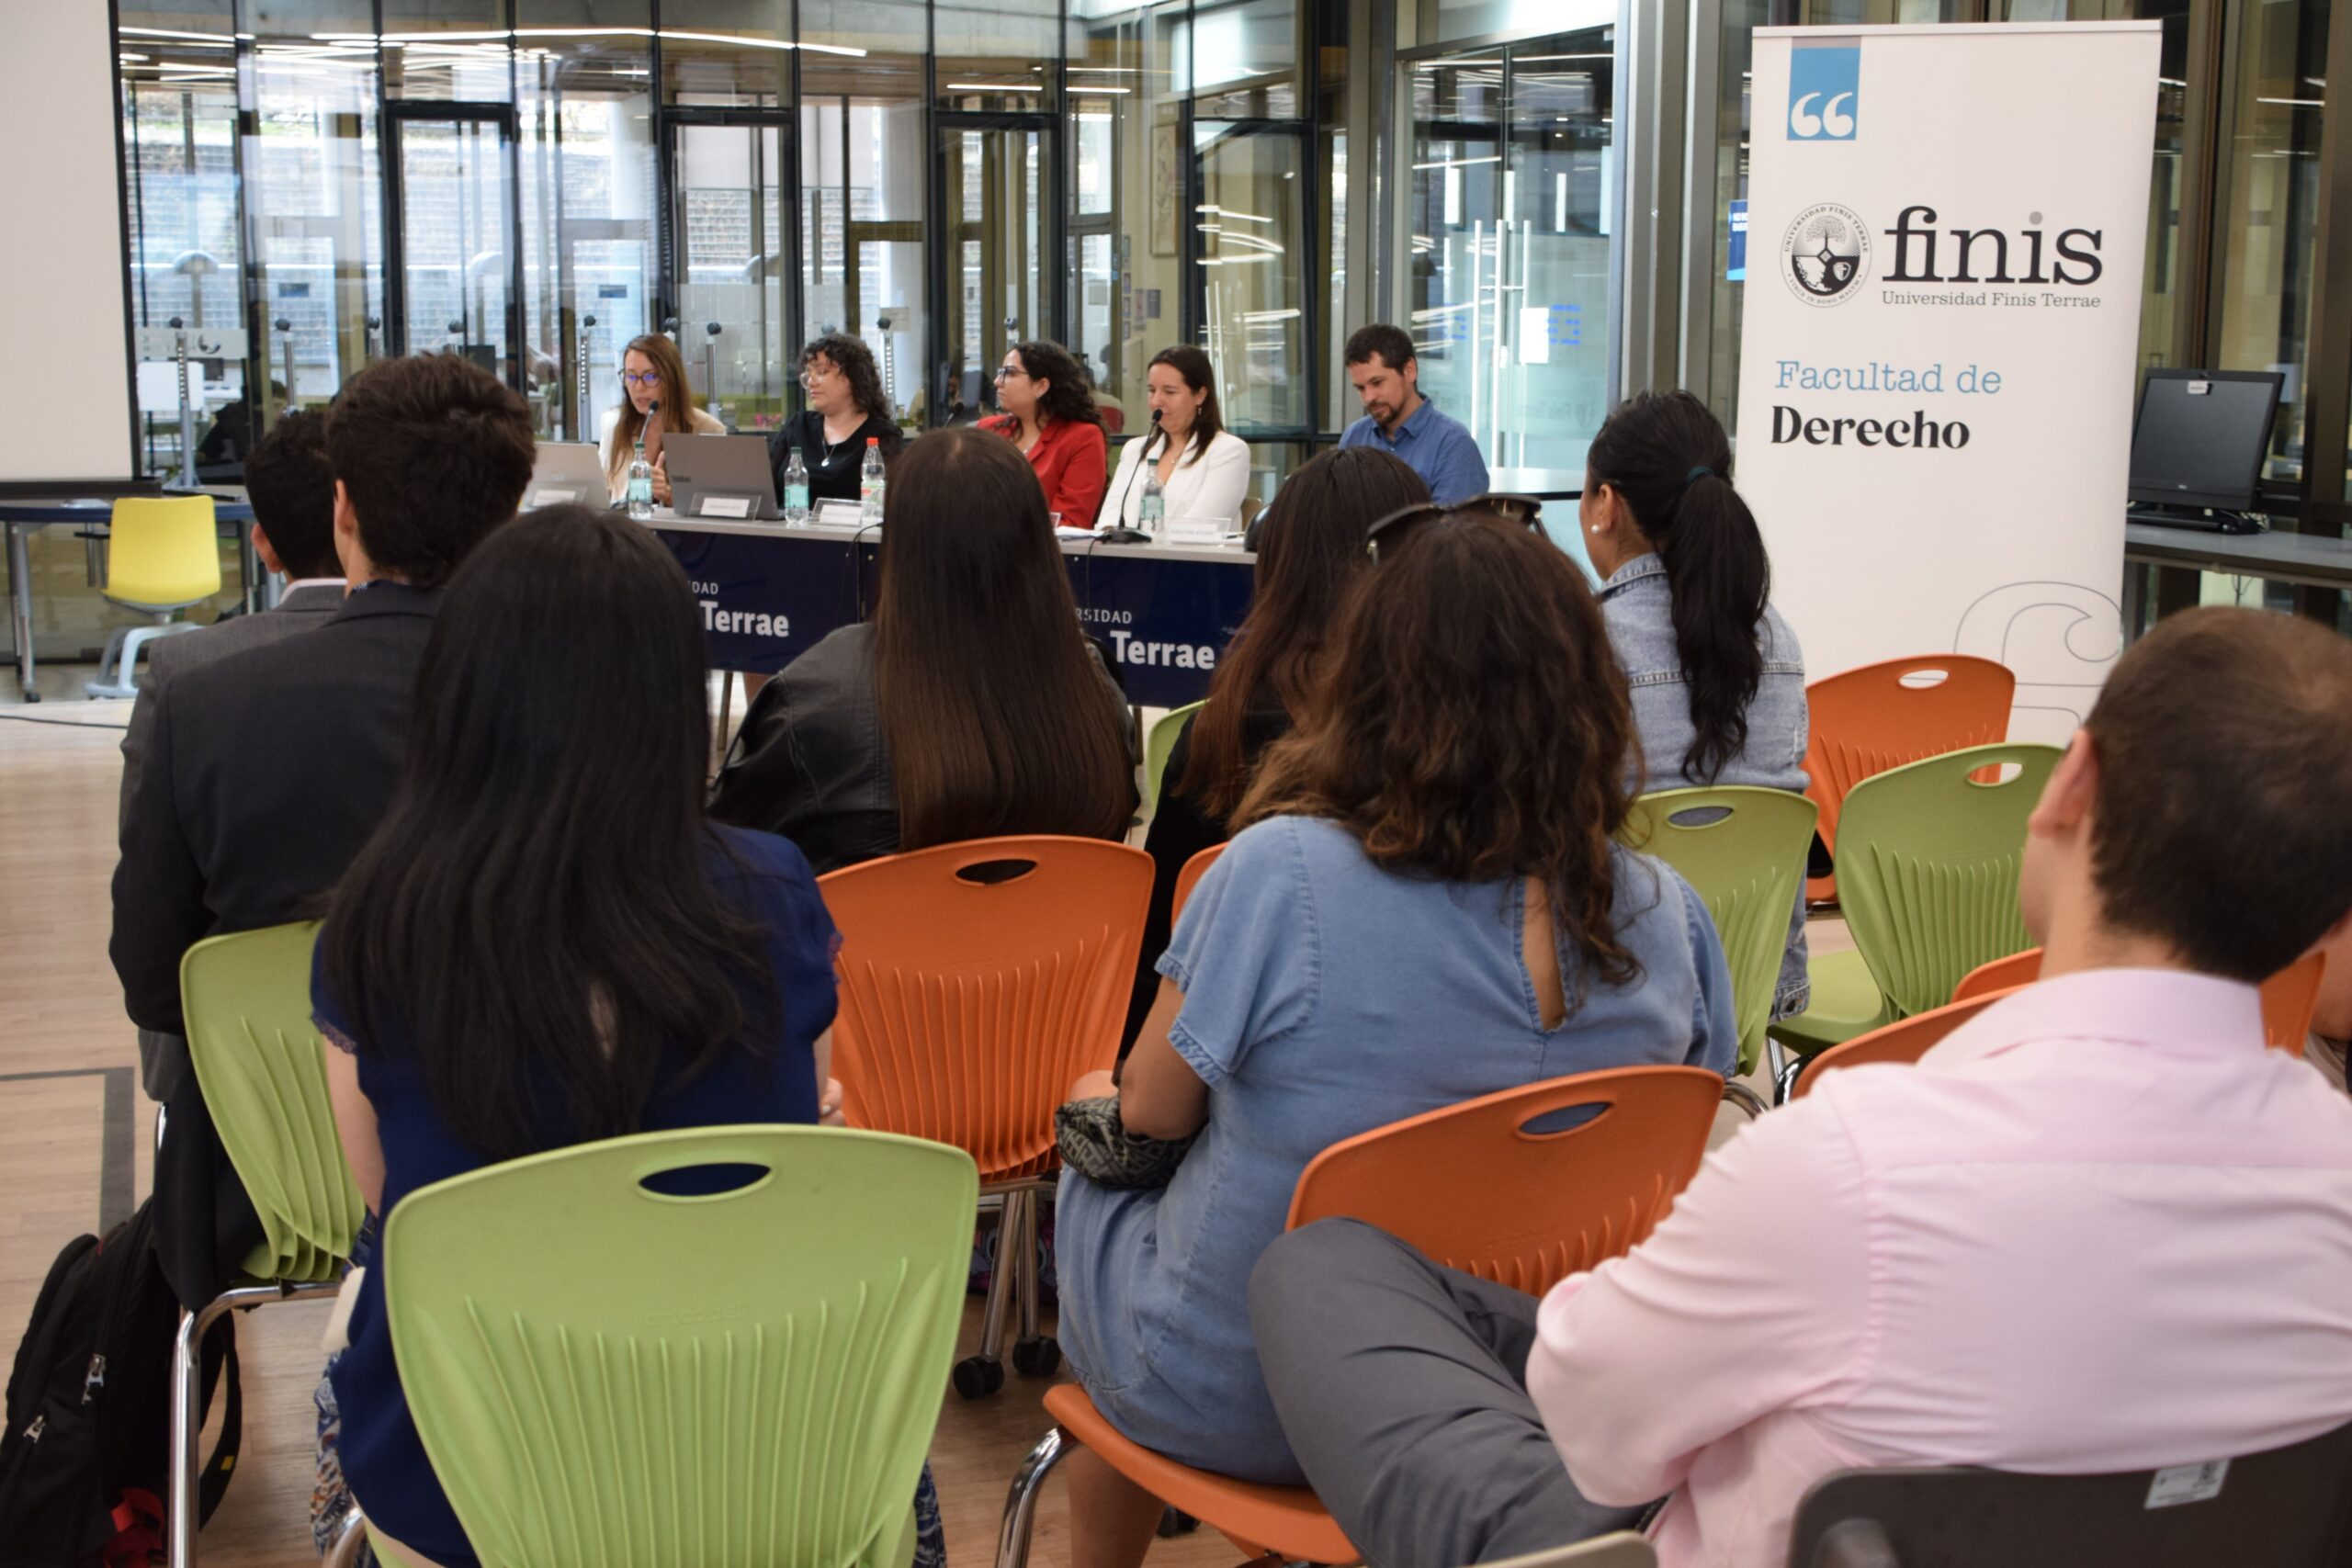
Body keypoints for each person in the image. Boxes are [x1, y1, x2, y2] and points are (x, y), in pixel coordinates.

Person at [1249, 604, 2352, 1568]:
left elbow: (1591, 1433)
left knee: (1321, 1268)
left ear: (2072, 782)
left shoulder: (1856, 1166)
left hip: (1645, 1520)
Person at [1053, 507, 1737, 1568]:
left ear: (1368, 683)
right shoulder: (1667, 913)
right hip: (1522, 1394)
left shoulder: (1278, 875)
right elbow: (1696, 1123)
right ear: (1588, 695)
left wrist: (1095, 1092)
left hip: (1246, 1396)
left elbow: (1149, 1114)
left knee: (1095, 1144)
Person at [313, 508, 846, 1568]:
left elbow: (394, 1209)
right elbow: (801, 1132)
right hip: (747, 1455)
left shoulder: (378, 924)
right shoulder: (773, 893)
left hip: (469, 1476)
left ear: (461, 693)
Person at [110, 351, 534, 1312]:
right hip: (526, 1157)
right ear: (510, 518)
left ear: (343, 510)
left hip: (264, 1179)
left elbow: (153, 980)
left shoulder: (204, 706)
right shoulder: (575, 702)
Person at [707, 426, 1135, 872]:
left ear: (898, 539)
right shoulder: (1097, 691)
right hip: (1064, 920)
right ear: (1039, 541)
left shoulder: (815, 693)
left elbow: (723, 844)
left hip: (866, 919)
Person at [1122, 447, 1430, 1045]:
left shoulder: (1219, 737)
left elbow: (1160, 952)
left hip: (1246, 1054)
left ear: (1278, 570)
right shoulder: (1469, 743)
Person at [118, 409, 347, 1101]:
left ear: (263, 545)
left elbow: (150, 908)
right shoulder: (456, 653)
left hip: (231, 1066)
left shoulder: (183, 670)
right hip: (425, 1055)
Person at [1581, 390, 1811, 1020]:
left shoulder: (1580, 644)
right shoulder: (1778, 639)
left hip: (1616, 1001)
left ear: (1606, 505)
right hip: (1752, 989)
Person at [1102, 345, 1252, 534]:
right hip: (1127, 553)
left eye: (1170, 392)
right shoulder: (1134, 450)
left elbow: (1201, 527)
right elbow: (1109, 519)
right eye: (1152, 390)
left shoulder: (1228, 450)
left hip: (1191, 553)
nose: (1156, 401)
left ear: (1200, 395)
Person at [1335, 323, 1488, 505]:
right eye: (1361, 388)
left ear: (1409, 370)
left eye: (1377, 383)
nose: (1368, 398)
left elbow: (1455, 522)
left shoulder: (1452, 443)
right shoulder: (1354, 437)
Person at [766, 332, 905, 507]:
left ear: (852, 377)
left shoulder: (882, 436)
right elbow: (763, 485)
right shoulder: (798, 425)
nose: (811, 382)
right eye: (808, 374)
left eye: (821, 372)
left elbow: (887, 505)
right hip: (791, 522)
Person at [981, 339, 1110, 527]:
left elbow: (1070, 523)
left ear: (1041, 386)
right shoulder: (989, 430)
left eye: (1010, 373)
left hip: (1047, 545)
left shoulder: (1083, 437)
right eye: (1000, 373)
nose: (997, 381)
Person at [597, 332, 724, 506]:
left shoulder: (707, 429)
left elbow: (715, 505)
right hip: (623, 522)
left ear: (671, 379)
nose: (639, 387)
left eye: (650, 376)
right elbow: (603, 493)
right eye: (631, 376)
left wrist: (669, 495)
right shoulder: (612, 423)